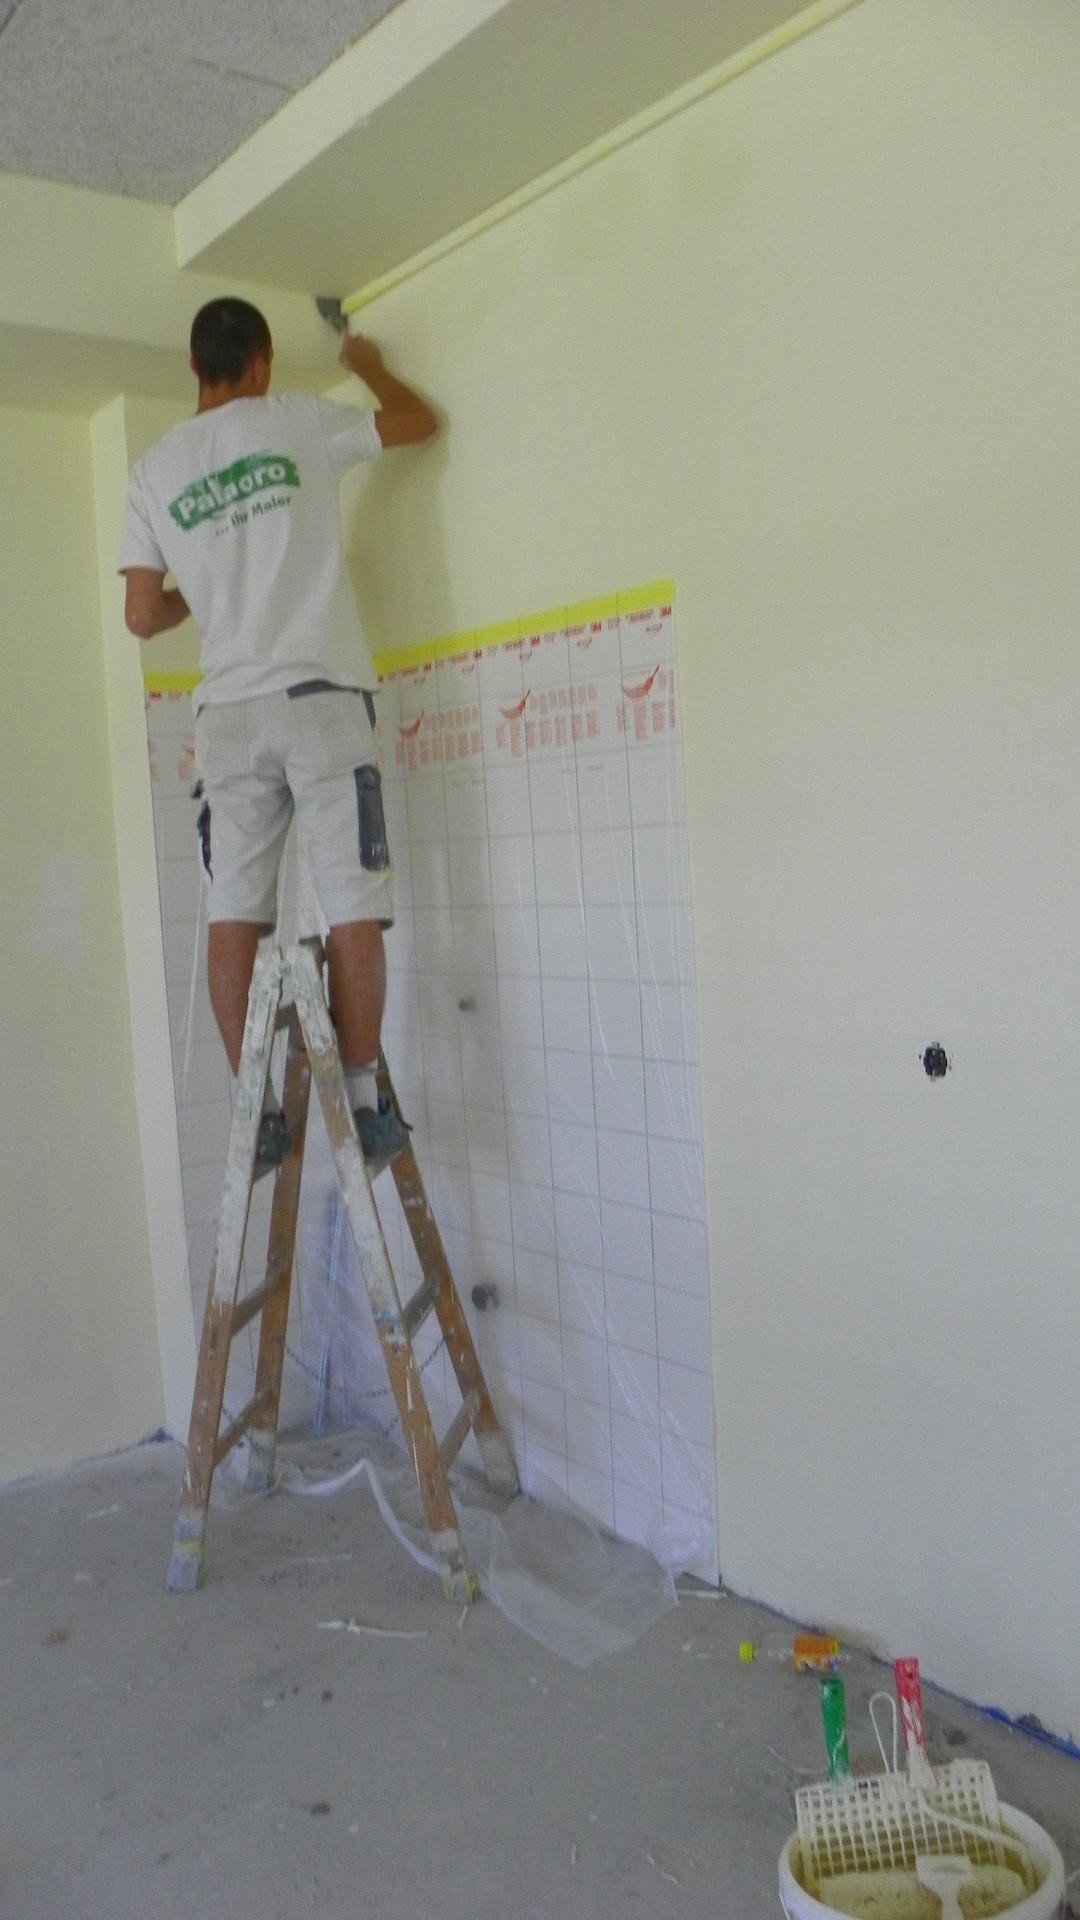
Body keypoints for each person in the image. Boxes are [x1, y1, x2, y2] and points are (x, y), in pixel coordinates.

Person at [119, 296, 437, 1165]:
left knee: (235, 913)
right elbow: (418, 422)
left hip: (227, 713)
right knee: (352, 904)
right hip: (320, 697)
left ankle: (254, 1112)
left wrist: (207, 588)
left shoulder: (153, 472)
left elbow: (141, 616)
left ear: (194, 367)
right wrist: (368, 365)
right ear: (260, 363)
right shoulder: (298, 421)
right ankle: (364, 1105)